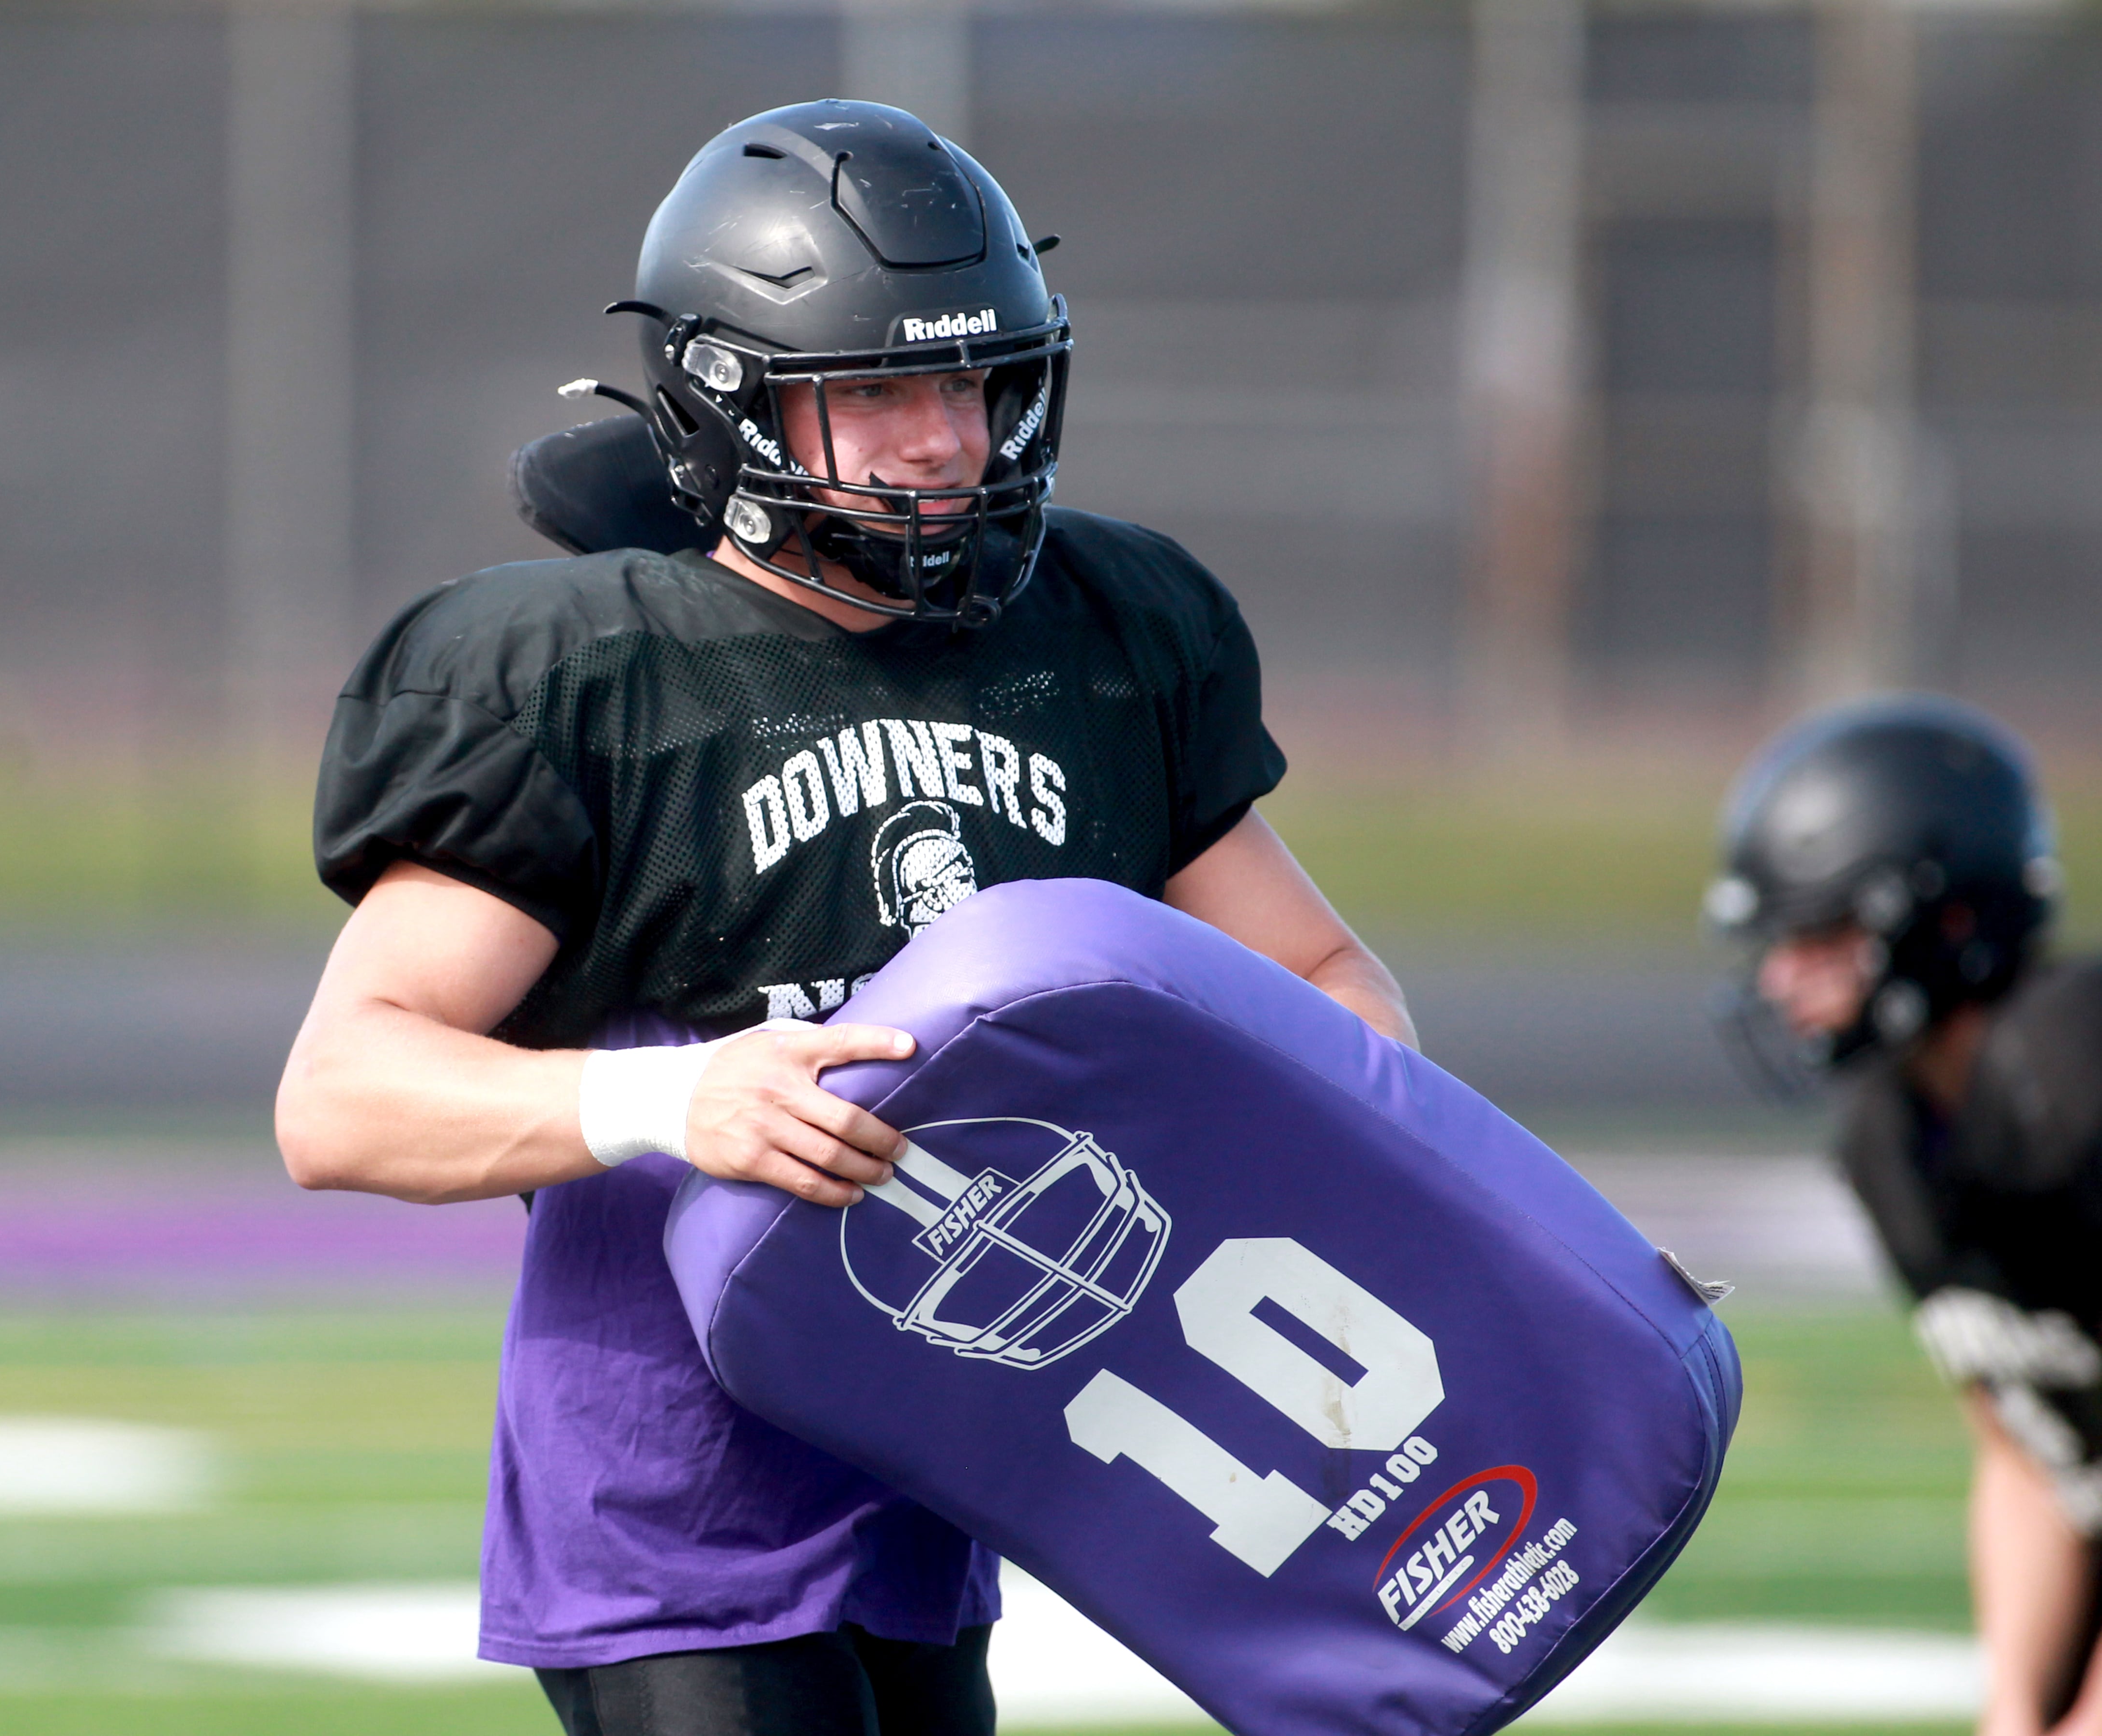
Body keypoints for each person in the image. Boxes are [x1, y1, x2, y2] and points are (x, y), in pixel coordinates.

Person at [275, 99, 1415, 1736]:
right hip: (673, 1521)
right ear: (726, 402)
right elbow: (342, 1097)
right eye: (876, 389)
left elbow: (1327, 984)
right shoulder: (589, 675)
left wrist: (1329, 1160)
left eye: (970, 379)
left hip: (943, 1491)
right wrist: (679, 1094)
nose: (945, 438)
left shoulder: (1101, 636)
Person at [1706, 694, 2102, 1736]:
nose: (1784, 977)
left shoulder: (2075, 1073)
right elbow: (2023, 1448)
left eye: (1822, 933)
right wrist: (2016, 1703)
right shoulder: (1892, 1139)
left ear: (1946, 916)